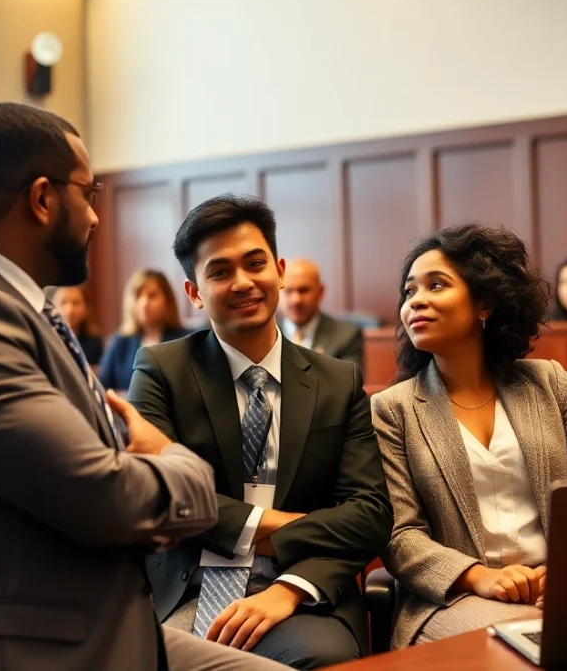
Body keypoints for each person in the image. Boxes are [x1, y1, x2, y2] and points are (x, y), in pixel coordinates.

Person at [0, 102, 289, 670]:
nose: (97, 217)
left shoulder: (20, 309)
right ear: (43, 199)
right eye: (88, 192)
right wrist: (180, 463)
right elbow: (104, 495)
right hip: (31, 638)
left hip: (102, 618)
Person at [129, 194, 392, 668]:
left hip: (305, 591)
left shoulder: (338, 380)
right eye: (220, 271)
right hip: (187, 587)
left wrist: (289, 586)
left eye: (255, 264)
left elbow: (369, 515)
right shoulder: (160, 370)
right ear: (193, 292)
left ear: (280, 269)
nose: (243, 283)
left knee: (315, 659)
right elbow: (157, 499)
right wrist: (293, 524)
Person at [372, 223, 567, 649]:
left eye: (436, 285)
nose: (417, 301)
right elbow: (400, 535)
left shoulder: (549, 382)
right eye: (409, 292)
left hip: (565, 582)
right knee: (549, 640)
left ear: (485, 303)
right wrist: (480, 577)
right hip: (454, 598)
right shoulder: (393, 409)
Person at [100, 269, 188, 392]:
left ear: (168, 301)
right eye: (138, 296)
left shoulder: (184, 340)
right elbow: (103, 387)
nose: (144, 303)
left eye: (152, 296)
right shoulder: (121, 341)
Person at [280, 257, 364, 366]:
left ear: (320, 292)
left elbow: (349, 382)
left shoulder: (346, 335)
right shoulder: (262, 335)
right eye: (288, 291)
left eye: (303, 290)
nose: (296, 300)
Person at [48, 284, 104, 366]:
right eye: (63, 302)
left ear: (86, 308)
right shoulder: (47, 339)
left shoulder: (94, 341)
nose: (70, 309)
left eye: (76, 303)